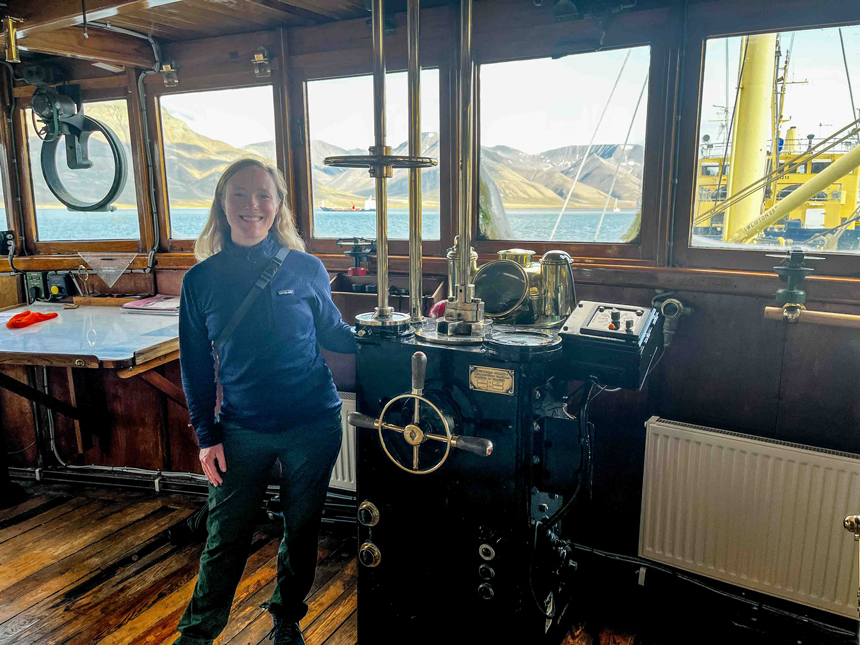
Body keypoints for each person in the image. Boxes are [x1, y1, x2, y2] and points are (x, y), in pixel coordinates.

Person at [175, 158, 356, 645]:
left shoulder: (306, 268)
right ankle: (196, 634)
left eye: (263, 195)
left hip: (312, 423)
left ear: (277, 207)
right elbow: (193, 367)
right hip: (240, 429)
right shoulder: (200, 282)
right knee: (224, 537)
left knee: (301, 529)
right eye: (239, 194)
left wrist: (395, 332)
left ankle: (286, 618)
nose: (251, 206)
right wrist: (206, 436)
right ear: (221, 203)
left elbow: (336, 334)